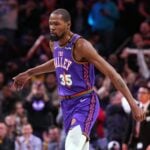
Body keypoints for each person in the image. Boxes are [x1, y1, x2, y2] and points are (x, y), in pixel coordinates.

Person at [12, 8, 145, 150]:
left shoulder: (81, 45)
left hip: (84, 101)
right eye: (51, 23)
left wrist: (133, 104)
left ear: (68, 25)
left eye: (57, 23)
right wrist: (29, 73)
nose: (52, 27)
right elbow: (57, 61)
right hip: (66, 105)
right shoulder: (54, 42)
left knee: (72, 145)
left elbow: (112, 73)